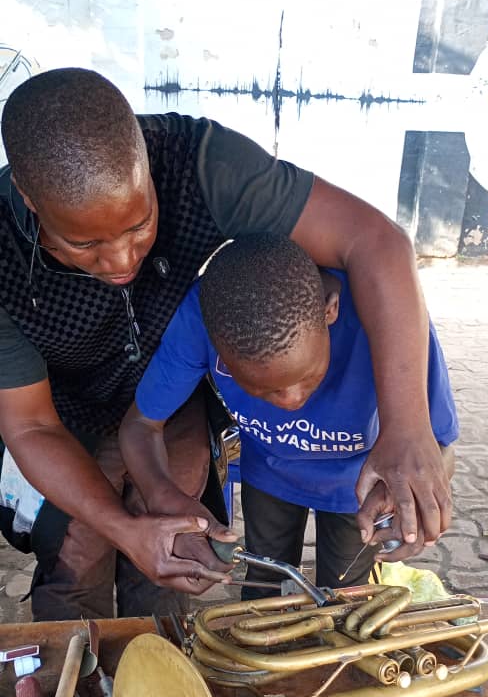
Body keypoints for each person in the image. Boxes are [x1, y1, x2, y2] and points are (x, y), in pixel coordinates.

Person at [0, 67, 452, 621]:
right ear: (27, 197)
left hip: (174, 402)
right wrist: (122, 528)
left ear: (146, 160)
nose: (121, 261)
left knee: (173, 555)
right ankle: (72, 693)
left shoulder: (203, 165)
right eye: (83, 243)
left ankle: (157, 680)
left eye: (140, 225)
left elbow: (375, 241)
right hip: (65, 417)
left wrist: (406, 428)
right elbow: (30, 426)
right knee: (76, 557)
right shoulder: (2, 253)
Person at [119, 235, 458, 594]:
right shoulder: (200, 320)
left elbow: (440, 445)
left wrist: (414, 499)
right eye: (262, 388)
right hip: (269, 472)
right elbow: (140, 425)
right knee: (262, 587)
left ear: (330, 311)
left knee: (346, 596)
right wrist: (161, 495)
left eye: (307, 376)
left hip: (361, 486)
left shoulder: (389, 321)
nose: (291, 401)